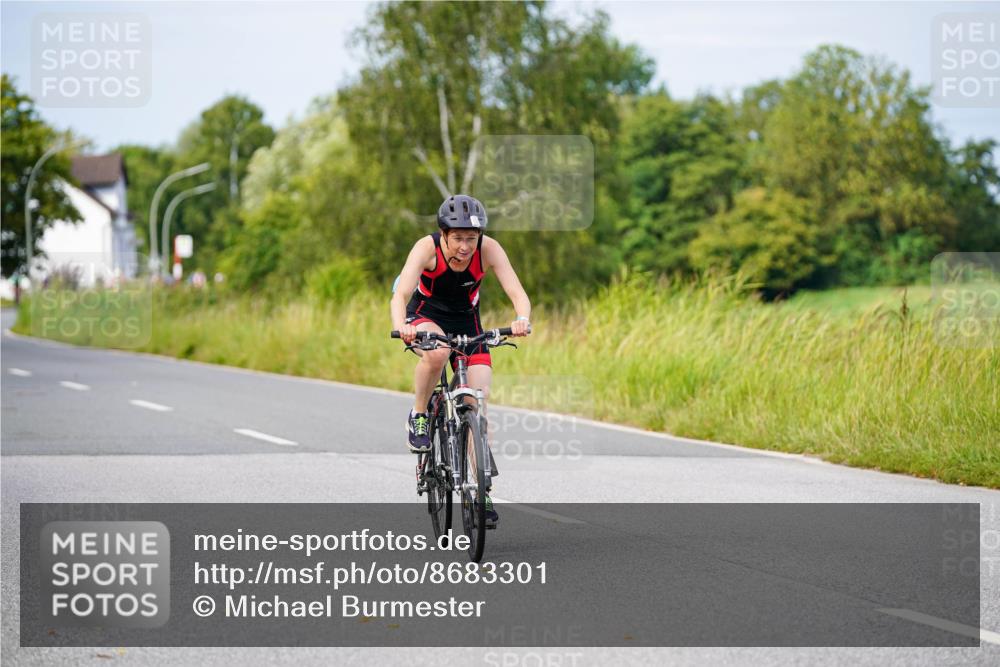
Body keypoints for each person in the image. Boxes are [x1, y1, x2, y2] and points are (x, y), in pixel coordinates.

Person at [390, 194, 531, 525]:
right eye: (458, 238)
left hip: (467, 323)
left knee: (477, 401)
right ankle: (420, 414)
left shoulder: (489, 249)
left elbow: (517, 292)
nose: (465, 246)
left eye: (471, 238)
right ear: (444, 234)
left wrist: (522, 318)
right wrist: (402, 326)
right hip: (425, 316)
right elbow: (401, 294)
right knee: (438, 354)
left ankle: (481, 491)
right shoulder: (426, 248)